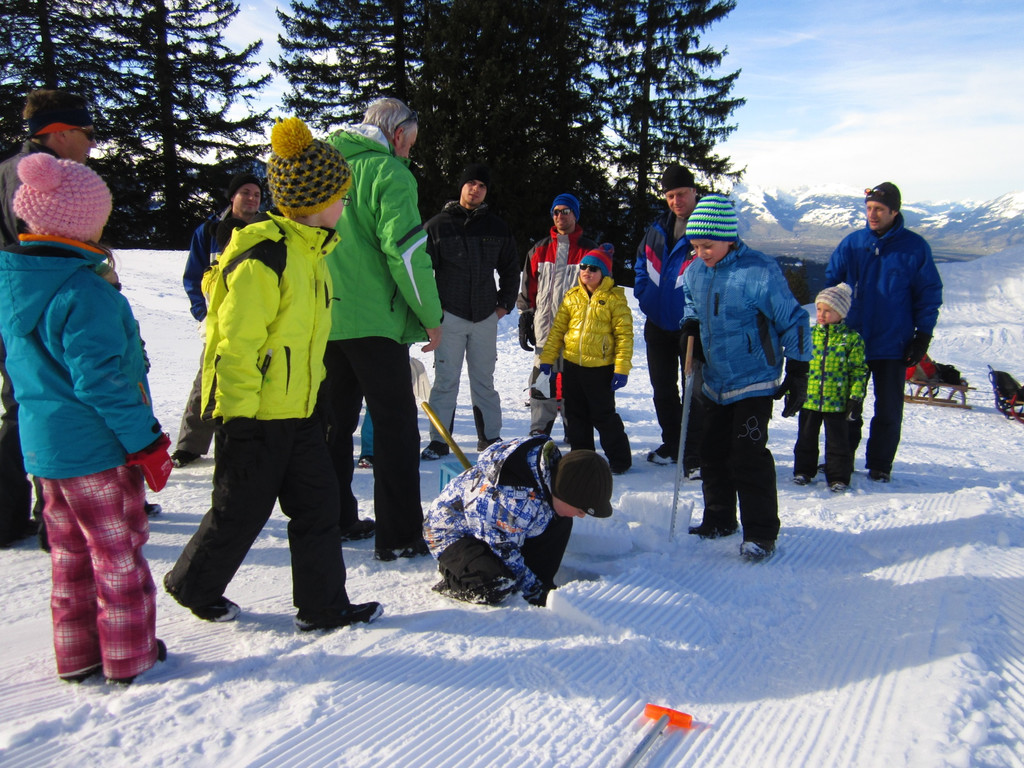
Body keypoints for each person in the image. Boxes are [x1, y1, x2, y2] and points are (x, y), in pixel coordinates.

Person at [163, 117, 382, 631]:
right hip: (256, 416)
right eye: (340, 198)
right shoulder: (267, 256)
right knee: (239, 512)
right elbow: (234, 345)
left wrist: (319, 398)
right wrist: (236, 416)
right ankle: (192, 584)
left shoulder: (313, 253)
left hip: (300, 412)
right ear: (312, 200)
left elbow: (304, 340)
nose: (345, 206)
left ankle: (323, 606)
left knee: (320, 507)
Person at [0, 152, 171, 683]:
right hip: (97, 448)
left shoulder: (14, 283)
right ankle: (128, 653)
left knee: (69, 554)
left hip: (46, 450)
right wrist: (145, 442)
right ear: (84, 222)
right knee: (118, 554)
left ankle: (77, 653)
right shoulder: (85, 292)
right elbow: (100, 381)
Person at [321, 97, 443, 560]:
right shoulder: (389, 174)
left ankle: (334, 517)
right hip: (375, 325)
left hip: (326, 322)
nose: (409, 154)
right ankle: (399, 535)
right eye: (409, 144)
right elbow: (408, 254)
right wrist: (431, 317)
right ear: (396, 136)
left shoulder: (328, 168)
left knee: (334, 425)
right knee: (394, 428)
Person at [680, 194, 810, 561]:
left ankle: (761, 532)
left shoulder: (759, 272)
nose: (701, 252)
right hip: (715, 379)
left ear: (728, 238)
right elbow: (691, 304)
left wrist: (799, 368)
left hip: (754, 378)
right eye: (695, 246)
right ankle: (720, 518)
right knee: (712, 452)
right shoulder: (694, 272)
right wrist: (689, 326)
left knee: (747, 455)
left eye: (707, 245)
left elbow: (793, 319)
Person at [0, 90, 98, 548]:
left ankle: (9, 514)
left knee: (22, 405)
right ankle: (55, 518)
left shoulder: (5, 169)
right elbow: (45, 252)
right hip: (41, 309)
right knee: (52, 403)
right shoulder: (40, 181)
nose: (92, 144)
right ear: (59, 133)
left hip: (14, 309)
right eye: (87, 132)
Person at [825, 182, 943, 482]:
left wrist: (922, 336)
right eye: (868, 209)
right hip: (852, 341)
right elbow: (831, 282)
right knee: (845, 405)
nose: (872, 215)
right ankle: (841, 460)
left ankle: (880, 464)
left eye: (879, 209)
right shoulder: (852, 244)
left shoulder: (914, 248)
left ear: (894, 211)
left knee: (888, 410)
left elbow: (928, 293)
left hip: (894, 343)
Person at [424, 435, 613, 607]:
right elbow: (506, 554)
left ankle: (541, 583)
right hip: (451, 532)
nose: (582, 515)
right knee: (496, 584)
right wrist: (533, 590)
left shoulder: (550, 477)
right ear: (563, 494)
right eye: (581, 510)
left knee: (562, 520)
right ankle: (454, 572)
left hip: (496, 527)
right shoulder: (513, 504)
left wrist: (540, 584)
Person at [420, 163, 519, 460]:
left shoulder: (497, 227)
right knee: (445, 380)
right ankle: (439, 441)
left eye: (482, 186)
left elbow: (511, 269)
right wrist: (431, 314)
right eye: (471, 183)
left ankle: (490, 439)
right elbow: (423, 272)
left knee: (484, 381)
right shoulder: (438, 225)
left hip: (484, 317)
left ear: (486, 192)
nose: (475, 189)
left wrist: (503, 305)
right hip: (449, 316)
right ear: (461, 186)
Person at [170, 172, 263, 469]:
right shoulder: (209, 231)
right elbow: (193, 277)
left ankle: (256, 444)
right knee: (207, 382)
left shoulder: (267, 229)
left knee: (257, 381)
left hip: (256, 321)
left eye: (257, 195)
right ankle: (190, 445)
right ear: (232, 196)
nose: (251, 198)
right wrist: (202, 315)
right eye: (245, 192)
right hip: (219, 322)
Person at [633, 163, 705, 475]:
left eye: (681, 193)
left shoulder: (705, 228)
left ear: (694, 193)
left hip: (691, 327)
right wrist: (643, 295)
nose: (676, 200)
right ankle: (673, 443)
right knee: (663, 388)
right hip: (657, 324)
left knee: (695, 391)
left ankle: (695, 451)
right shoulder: (657, 230)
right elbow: (640, 263)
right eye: (670, 195)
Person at [538, 247, 633, 473]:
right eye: (583, 267)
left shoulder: (614, 300)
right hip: (572, 367)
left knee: (603, 415)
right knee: (576, 415)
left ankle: (620, 459)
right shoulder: (572, 297)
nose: (586, 272)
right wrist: (548, 358)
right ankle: (582, 458)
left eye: (593, 268)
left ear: (604, 274)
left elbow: (624, 337)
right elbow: (558, 331)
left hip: (600, 370)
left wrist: (621, 369)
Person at [516, 193, 598, 437]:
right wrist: (526, 316)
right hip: (545, 332)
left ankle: (575, 426)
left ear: (575, 214)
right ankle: (539, 427)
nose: (560, 216)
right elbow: (528, 287)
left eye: (566, 211)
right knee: (543, 381)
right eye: (556, 211)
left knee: (573, 382)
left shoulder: (589, 250)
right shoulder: (540, 249)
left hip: (577, 334)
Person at [792, 283, 867, 492]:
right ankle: (803, 471)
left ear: (840, 313)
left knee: (838, 442)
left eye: (828, 311)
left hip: (837, 401)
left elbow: (859, 370)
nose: (821, 314)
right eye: (819, 309)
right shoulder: (809, 334)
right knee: (806, 437)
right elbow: (799, 365)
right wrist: (794, 391)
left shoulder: (851, 339)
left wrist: (856, 397)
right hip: (811, 398)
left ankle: (838, 477)